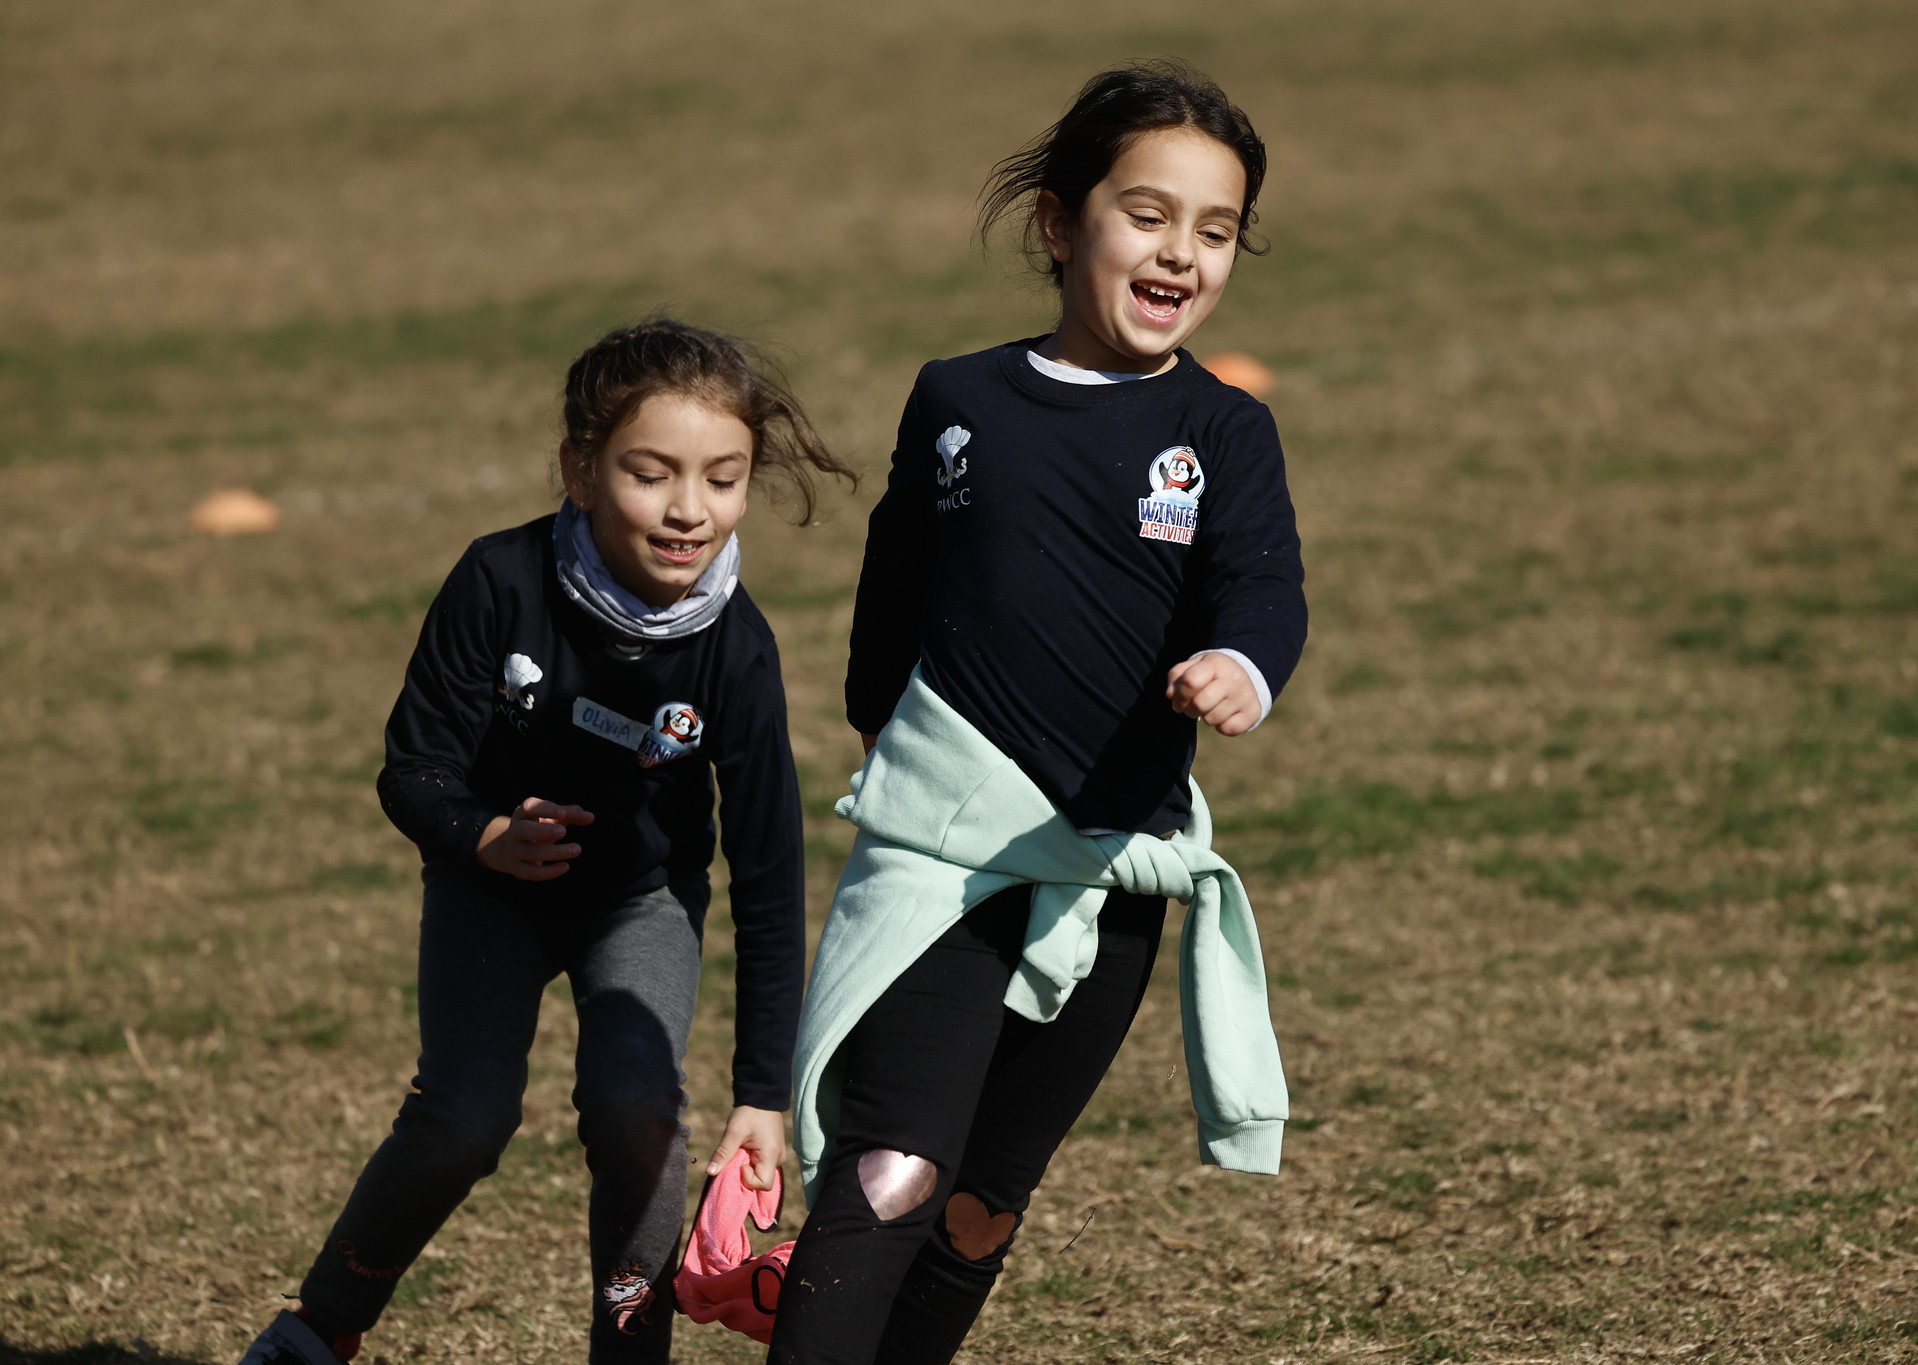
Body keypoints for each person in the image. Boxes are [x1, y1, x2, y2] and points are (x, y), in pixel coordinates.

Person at [769, 60, 1307, 1364]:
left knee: (979, 1206)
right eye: (1147, 214)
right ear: (1061, 223)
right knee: (892, 1166)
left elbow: (1262, 586)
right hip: (948, 858)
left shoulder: (1224, 429)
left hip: (1113, 870)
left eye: (1216, 230)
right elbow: (896, 580)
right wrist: (882, 730)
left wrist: (1241, 666)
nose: (1180, 252)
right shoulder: (959, 399)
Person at [238, 320, 855, 1365]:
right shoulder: (500, 581)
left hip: (640, 901)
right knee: (464, 1118)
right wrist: (484, 835)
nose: (689, 509)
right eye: (650, 474)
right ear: (579, 470)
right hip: (491, 892)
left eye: (723, 478)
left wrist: (761, 1094)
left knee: (638, 1113)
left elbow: (767, 874)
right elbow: (412, 768)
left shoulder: (736, 649)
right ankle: (320, 1327)